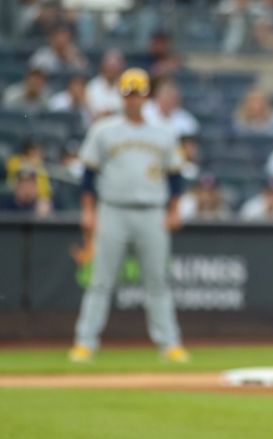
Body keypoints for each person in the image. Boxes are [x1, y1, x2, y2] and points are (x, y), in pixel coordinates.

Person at [68, 68, 189, 363]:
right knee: (100, 280)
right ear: (122, 96)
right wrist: (88, 211)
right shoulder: (104, 130)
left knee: (157, 281)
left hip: (151, 211)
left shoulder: (163, 132)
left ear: (146, 95)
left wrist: (174, 211)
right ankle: (85, 341)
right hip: (112, 210)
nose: (133, 99)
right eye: (128, 93)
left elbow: (175, 177)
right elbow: (88, 175)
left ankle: (169, 343)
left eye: (138, 93)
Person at [85, 49, 125, 120]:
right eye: (109, 66)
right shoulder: (92, 86)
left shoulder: (126, 85)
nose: (112, 69)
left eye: (114, 66)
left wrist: (110, 112)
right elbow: (92, 113)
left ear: (120, 67)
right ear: (103, 66)